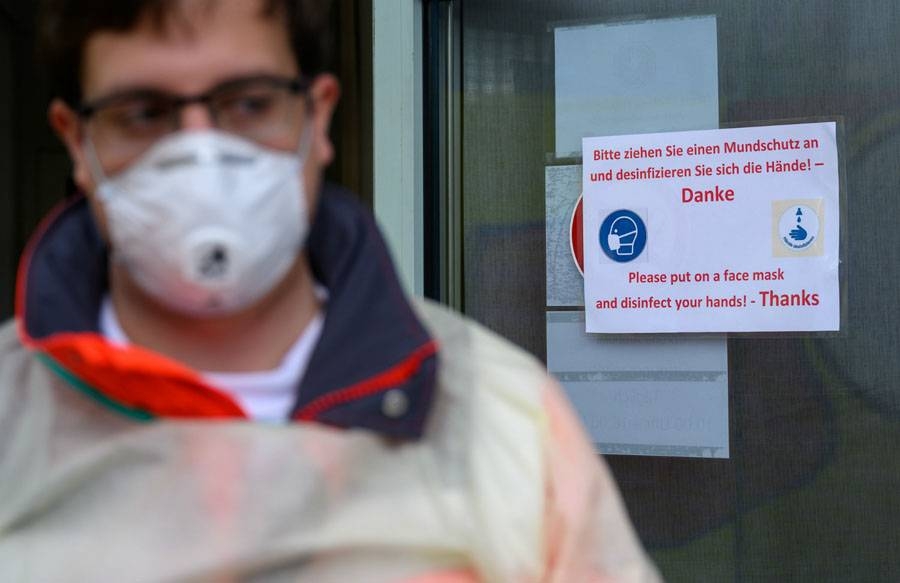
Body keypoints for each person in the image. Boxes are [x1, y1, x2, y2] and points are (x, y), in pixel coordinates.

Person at [0, 1, 661, 581]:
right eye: (143, 114)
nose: (199, 156)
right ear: (77, 143)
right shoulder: (11, 417)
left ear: (317, 118)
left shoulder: (502, 415)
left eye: (249, 103)